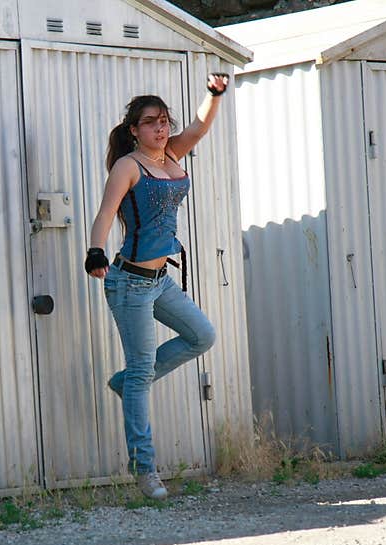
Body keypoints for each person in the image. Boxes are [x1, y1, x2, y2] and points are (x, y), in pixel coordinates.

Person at [84, 73, 230, 500]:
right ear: (135, 130)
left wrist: (213, 94)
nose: (161, 128)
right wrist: (95, 252)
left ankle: (127, 381)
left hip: (160, 280)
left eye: (165, 120)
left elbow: (201, 127)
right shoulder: (128, 166)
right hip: (128, 283)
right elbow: (106, 213)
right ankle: (145, 470)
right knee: (143, 370)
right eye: (151, 122)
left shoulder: (171, 154)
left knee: (202, 335)